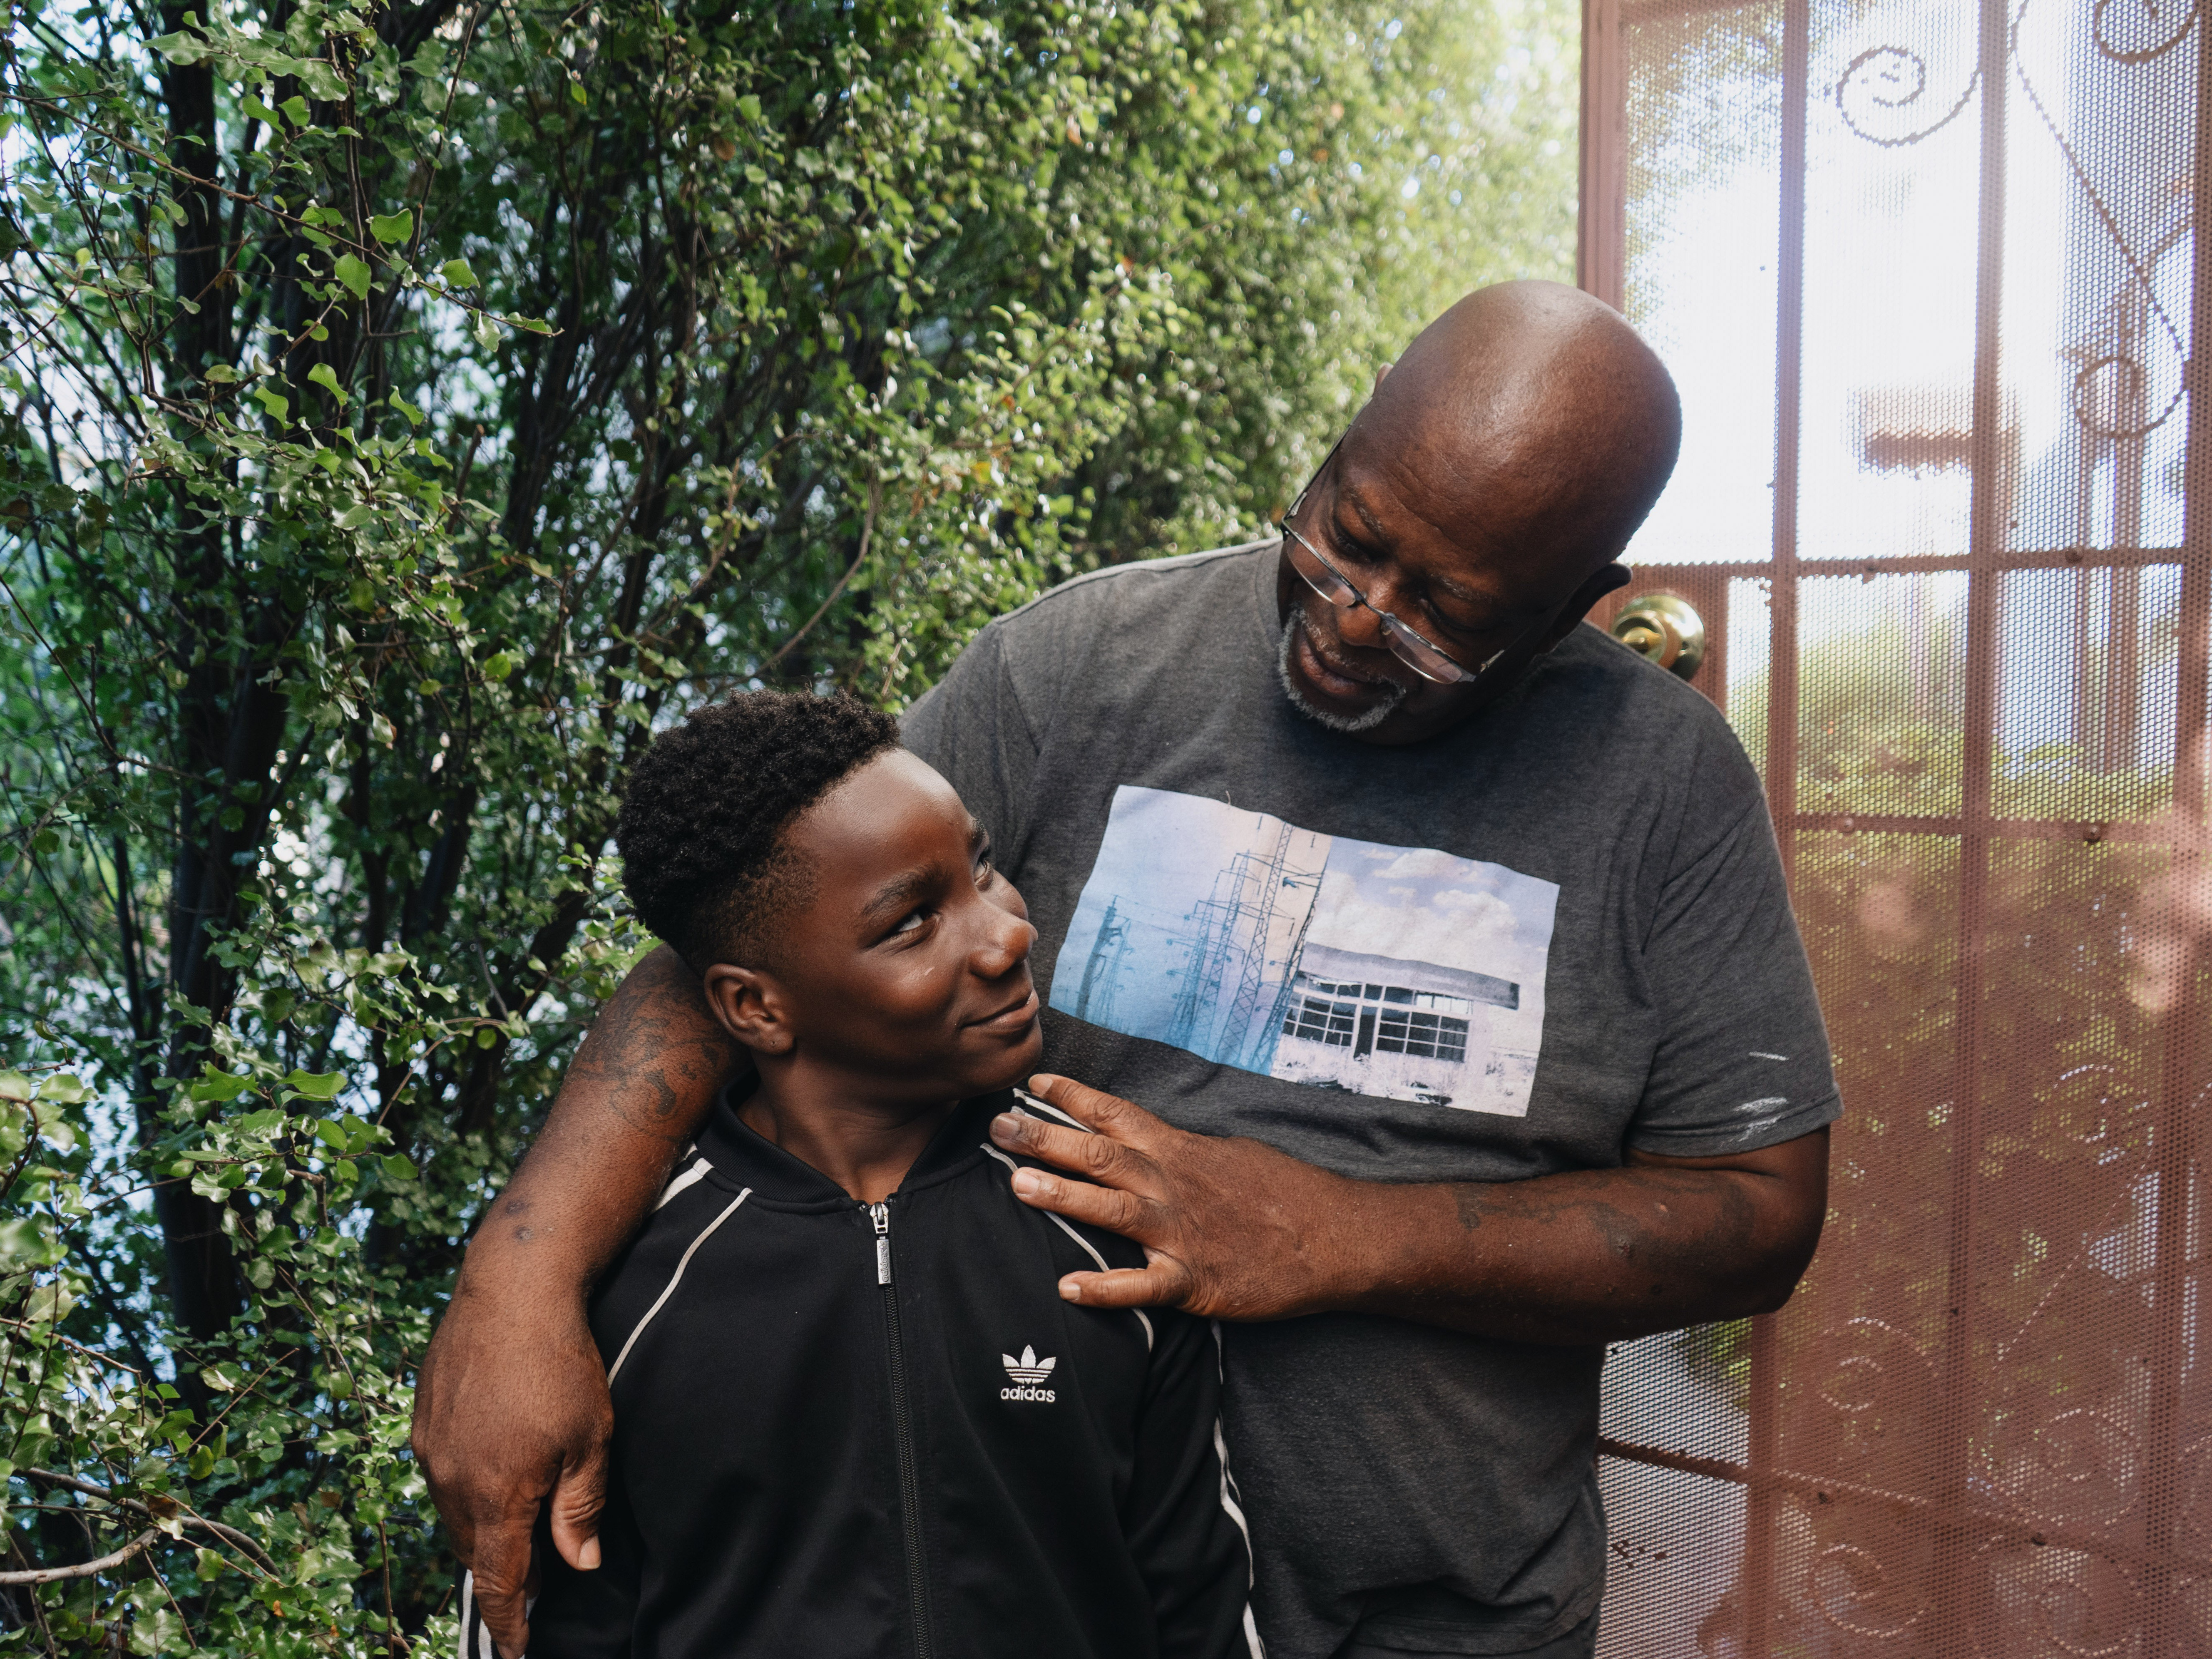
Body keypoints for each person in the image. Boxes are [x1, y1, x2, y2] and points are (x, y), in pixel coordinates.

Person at [413, 280, 1837, 1659]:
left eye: (1440, 613)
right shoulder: (1085, 662)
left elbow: (1755, 1216)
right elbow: (754, 939)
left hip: (1440, 1612)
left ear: (1574, 602)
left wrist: (1339, 1235)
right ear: (1334, 449)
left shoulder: (1665, 786)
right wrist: (519, 1282)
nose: (1352, 618)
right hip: (1054, 1582)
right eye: (1345, 534)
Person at [458, 689, 1259, 1658]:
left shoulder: (1103, 1217)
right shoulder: (624, 1295)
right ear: (754, 1006)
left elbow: (1198, 1609)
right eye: (911, 922)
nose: (1007, 935)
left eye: (982, 868)